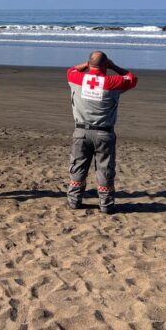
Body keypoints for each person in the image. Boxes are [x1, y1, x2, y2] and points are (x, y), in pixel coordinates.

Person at [65, 51, 137, 214]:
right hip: (104, 133)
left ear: (89, 64)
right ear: (106, 65)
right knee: (105, 169)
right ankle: (106, 204)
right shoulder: (113, 82)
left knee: (78, 166)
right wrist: (113, 66)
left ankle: (74, 201)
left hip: (81, 132)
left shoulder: (77, 78)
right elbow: (131, 78)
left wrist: (87, 64)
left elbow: (71, 70)